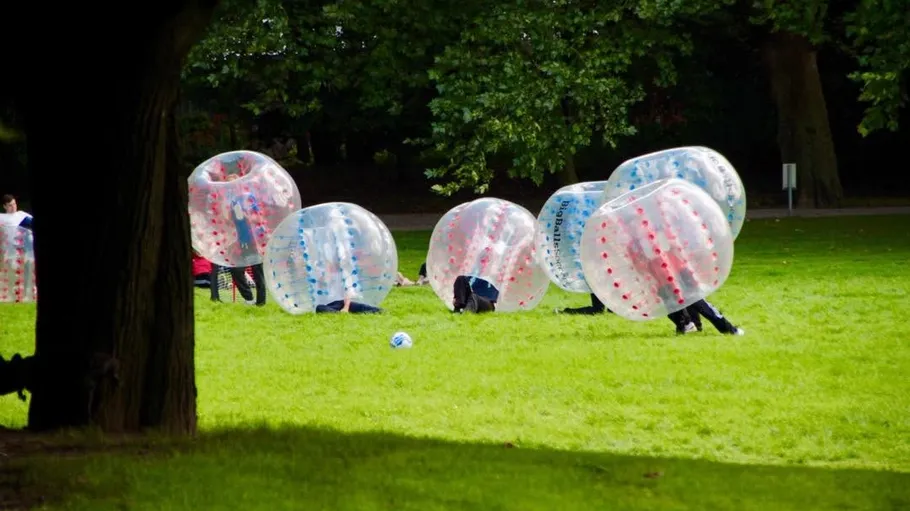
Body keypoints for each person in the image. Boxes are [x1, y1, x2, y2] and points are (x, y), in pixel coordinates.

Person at [315, 295, 382, 314]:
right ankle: (339, 313)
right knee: (319, 308)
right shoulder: (321, 276)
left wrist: (346, 307)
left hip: (342, 302)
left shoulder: (343, 274)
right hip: (329, 306)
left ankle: (379, 311)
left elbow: (347, 291)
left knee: (364, 307)